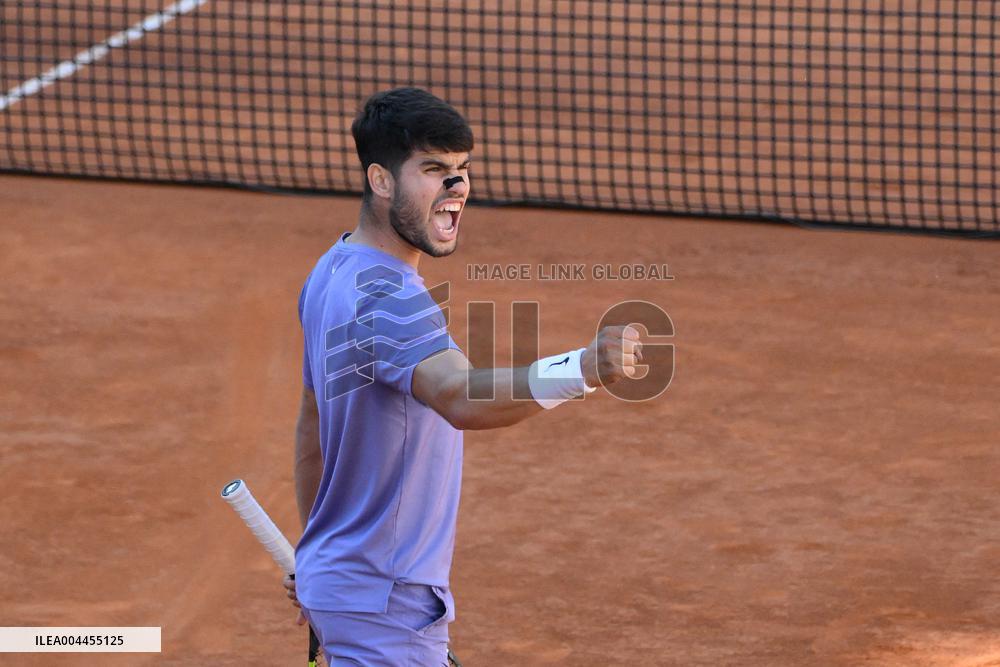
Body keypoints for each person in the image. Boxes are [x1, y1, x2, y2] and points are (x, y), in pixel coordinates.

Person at [284, 87, 642, 666]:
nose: (456, 188)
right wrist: (580, 369)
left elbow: (311, 431)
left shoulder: (330, 271)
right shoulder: (388, 299)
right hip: (389, 605)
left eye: (462, 169)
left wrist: (318, 562)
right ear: (380, 180)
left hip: (346, 587)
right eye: (433, 170)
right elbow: (458, 397)